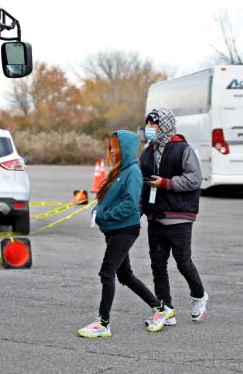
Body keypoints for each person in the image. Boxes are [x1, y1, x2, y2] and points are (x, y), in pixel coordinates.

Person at [77, 130, 174, 338]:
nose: (112, 151)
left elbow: (130, 204)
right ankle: (161, 308)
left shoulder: (132, 172)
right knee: (125, 275)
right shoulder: (117, 171)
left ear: (127, 149)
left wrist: (107, 215)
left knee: (106, 272)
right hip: (114, 230)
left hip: (124, 230)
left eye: (116, 146)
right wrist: (99, 211)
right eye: (110, 146)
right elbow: (109, 199)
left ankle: (103, 323)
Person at [140, 107, 208, 324]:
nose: (150, 128)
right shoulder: (147, 152)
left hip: (179, 216)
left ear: (166, 124)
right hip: (155, 217)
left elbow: (194, 179)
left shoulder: (182, 148)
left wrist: (166, 183)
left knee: (183, 262)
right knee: (158, 265)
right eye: (148, 124)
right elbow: (142, 186)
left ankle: (199, 295)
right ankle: (165, 309)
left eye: (154, 124)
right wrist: (137, 212)